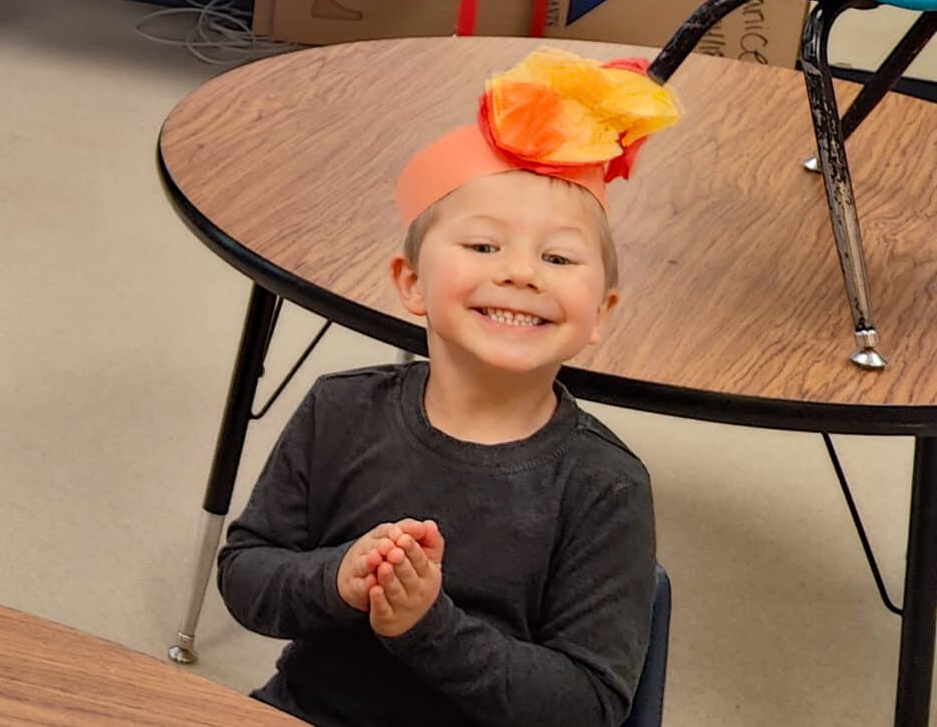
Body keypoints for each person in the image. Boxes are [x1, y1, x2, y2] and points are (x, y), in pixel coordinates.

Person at [217, 48, 675, 726]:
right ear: (410, 284)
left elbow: (590, 705)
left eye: (558, 257)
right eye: (485, 246)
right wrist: (339, 578)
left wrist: (428, 627)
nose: (521, 272)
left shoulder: (605, 485)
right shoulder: (338, 411)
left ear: (601, 312)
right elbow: (246, 573)